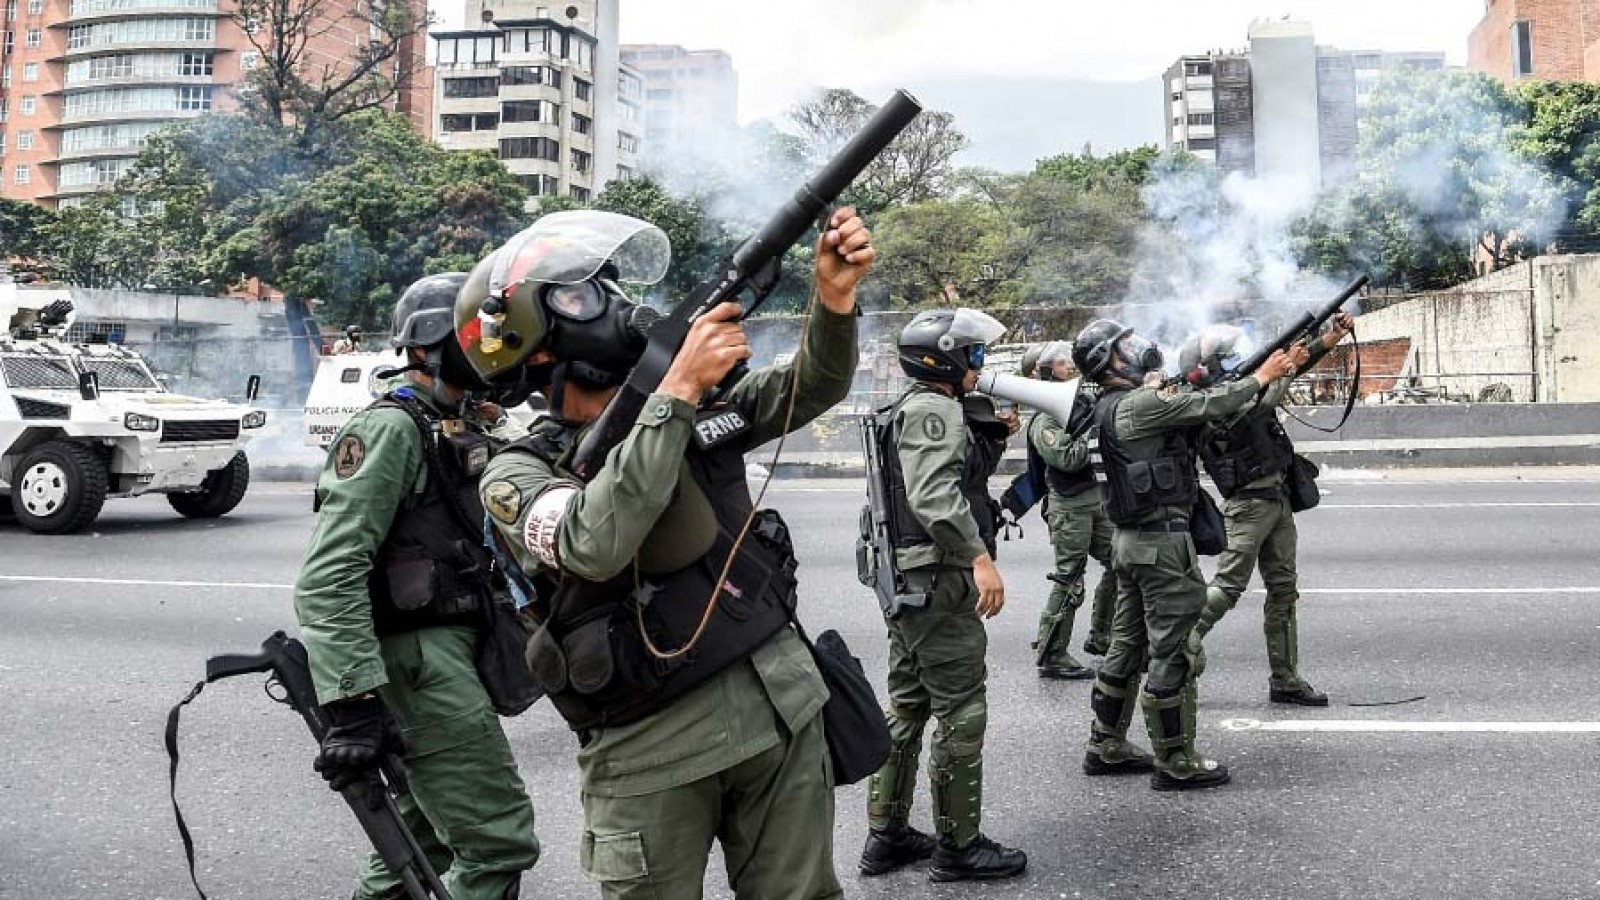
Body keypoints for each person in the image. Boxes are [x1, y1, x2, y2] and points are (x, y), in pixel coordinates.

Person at [462, 207, 874, 899]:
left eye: (611, 285)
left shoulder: (695, 410)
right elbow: (591, 543)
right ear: (531, 345)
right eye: (580, 293)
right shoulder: (514, 474)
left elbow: (813, 384)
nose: (618, 305)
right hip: (653, 752)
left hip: (779, 708)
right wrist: (675, 392)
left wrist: (834, 302)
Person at [293, 273, 540, 900]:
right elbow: (330, 573)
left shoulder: (462, 421)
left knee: (419, 840)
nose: (493, 347)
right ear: (430, 345)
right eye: (476, 335)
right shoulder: (392, 428)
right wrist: (350, 702)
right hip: (420, 660)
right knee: (496, 842)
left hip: (458, 650)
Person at [1073, 318, 1297, 791]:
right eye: (1122, 347)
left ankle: (1106, 743)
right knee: (1173, 652)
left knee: (1125, 647)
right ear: (1108, 363)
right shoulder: (1141, 402)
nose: (1134, 350)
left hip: (1131, 544)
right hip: (1161, 546)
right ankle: (1175, 758)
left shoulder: (1108, 407)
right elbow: (1215, 403)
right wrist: (1262, 376)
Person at [859, 307, 1027, 883]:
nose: (979, 363)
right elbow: (934, 498)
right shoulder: (934, 410)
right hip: (937, 582)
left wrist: (993, 438)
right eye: (973, 353)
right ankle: (959, 847)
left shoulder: (912, 406)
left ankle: (887, 835)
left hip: (909, 584)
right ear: (945, 358)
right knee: (960, 708)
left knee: (907, 707)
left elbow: (956, 478)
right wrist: (980, 558)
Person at [1184, 313, 1356, 706]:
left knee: (1283, 590)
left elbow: (1284, 373)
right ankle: (1175, 654)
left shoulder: (1242, 386)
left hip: (1276, 498)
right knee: (1227, 587)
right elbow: (1263, 400)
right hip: (1247, 506)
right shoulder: (1213, 402)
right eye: (1228, 356)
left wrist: (1328, 338)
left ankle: (1285, 678)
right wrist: (1282, 368)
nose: (1238, 360)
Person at [1027, 341, 1115, 679]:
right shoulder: (1044, 418)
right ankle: (1052, 653)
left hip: (1095, 500)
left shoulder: (1079, 405)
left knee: (1121, 564)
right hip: (1069, 508)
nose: (1070, 368)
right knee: (1070, 580)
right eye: (1062, 363)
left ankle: (1102, 636)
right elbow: (1067, 458)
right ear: (1047, 370)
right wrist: (1097, 431)